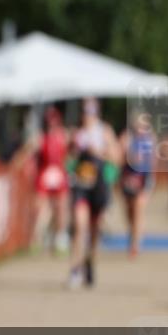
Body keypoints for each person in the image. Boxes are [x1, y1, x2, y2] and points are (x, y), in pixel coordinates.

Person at [67, 97, 122, 288]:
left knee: (94, 230)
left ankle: (90, 260)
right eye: (84, 111)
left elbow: (117, 158)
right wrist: (74, 149)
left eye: (90, 111)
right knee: (79, 226)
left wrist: (97, 151)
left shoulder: (104, 131)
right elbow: (67, 160)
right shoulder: (76, 133)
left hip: (99, 186)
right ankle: (75, 269)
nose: (86, 115)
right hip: (81, 186)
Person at [30, 105, 71, 254]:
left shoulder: (63, 136)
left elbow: (69, 154)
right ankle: (37, 237)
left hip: (59, 174)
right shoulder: (40, 138)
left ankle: (60, 238)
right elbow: (31, 154)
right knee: (42, 208)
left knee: (61, 207)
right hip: (45, 174)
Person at [119, 111, 156, 258]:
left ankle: (136, 244)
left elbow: (150, 162)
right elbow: (120, 158)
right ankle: (133, 234)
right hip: (128, 179)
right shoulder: (127, 137)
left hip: (143, 179)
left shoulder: (150, 139)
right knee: (129, 212)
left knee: (138, 209)